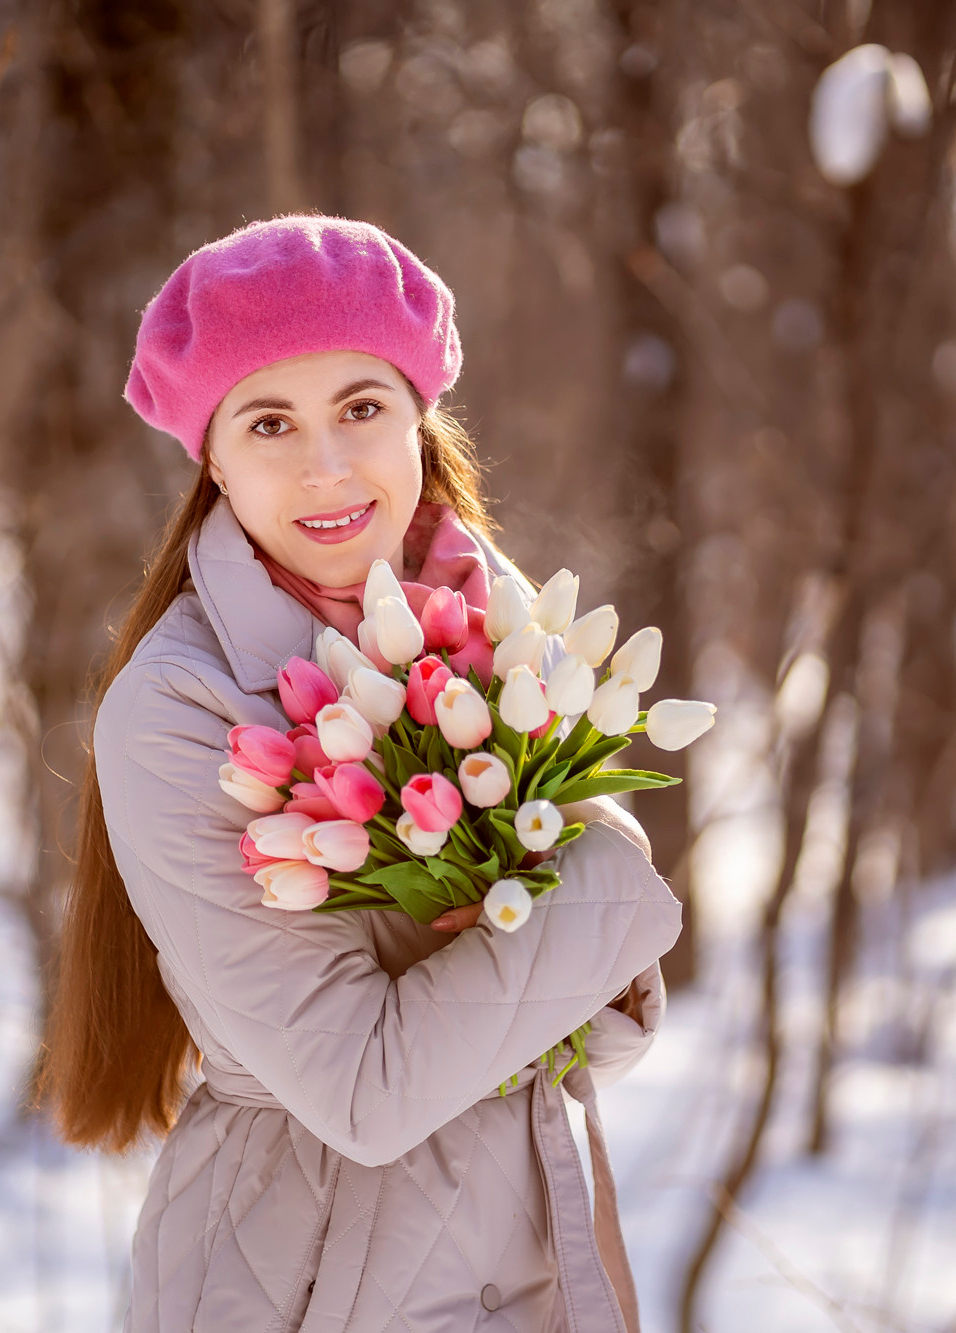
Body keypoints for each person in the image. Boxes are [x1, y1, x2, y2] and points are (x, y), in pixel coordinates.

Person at [35, 214, 683, 1333]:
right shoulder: (179, 706)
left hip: (529, 1255)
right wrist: (609, 891)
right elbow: (365, 1092)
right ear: (212, 456)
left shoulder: (498, 614)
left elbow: (579, 1032)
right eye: (270, 421)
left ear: (420, 423)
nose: (325, 464)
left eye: (361, 408)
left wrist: (585, 987)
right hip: (306, 1274)